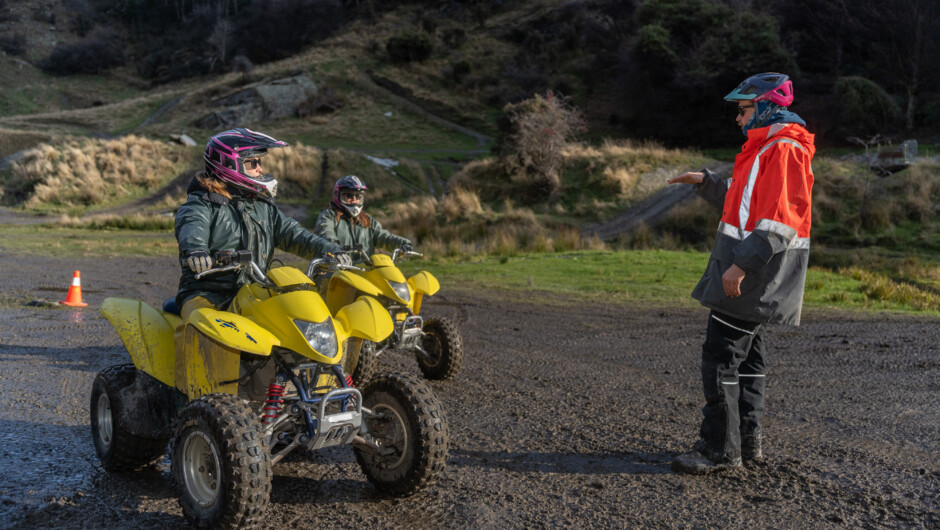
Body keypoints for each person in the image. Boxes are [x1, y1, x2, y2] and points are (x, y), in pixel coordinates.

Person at [666, 73, 815, 474]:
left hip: (753, 275)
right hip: (756, 275)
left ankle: (719, 450)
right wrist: (706, 182)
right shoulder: (766, 149)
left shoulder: (782, 149)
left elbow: (780, 222)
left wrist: (739, 266)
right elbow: (745, 200)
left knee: (720, 359)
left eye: (744, 109)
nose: (738, 117)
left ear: (766, 107)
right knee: (748, 362)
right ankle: (746, 444)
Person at [174, 128, 349, 372]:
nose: (260, 169)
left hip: (255, 288)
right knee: (197, 325)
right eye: (252, 163)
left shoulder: (262, 206)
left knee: (293, 318)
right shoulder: (201, 204)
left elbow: (293, 233)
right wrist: (196, 251)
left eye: (259, 163)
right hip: (209, 292)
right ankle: (186, 398)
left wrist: (328, 249)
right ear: (229, 165)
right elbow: (191, 226)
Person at [313, 175, 413, 259]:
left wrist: (403, 244)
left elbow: (383, 237)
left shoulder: (366, 220)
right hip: (334, 271)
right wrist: (334, 247)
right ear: (338, 196)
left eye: (358, 196)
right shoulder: (328, 216)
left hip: (364, 272)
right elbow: (325, 232)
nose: (354, 200)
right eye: (349, 196)